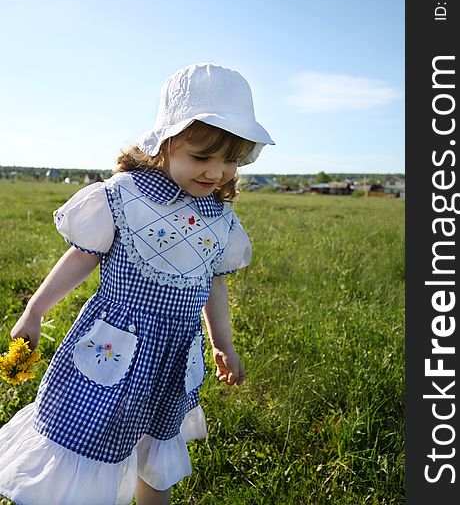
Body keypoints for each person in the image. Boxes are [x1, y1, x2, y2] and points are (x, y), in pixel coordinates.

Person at [0, 63, 274, 505]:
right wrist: (34, 311)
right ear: (164, 144)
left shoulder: (221, 219)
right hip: (114, 347)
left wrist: (223, 343)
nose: (216, 172)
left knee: (156, 453)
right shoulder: (122, 196)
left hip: (172, 357)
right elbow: (81, 259)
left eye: (230, 160)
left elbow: (214, 287)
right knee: (85, 442)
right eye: (202, 157)